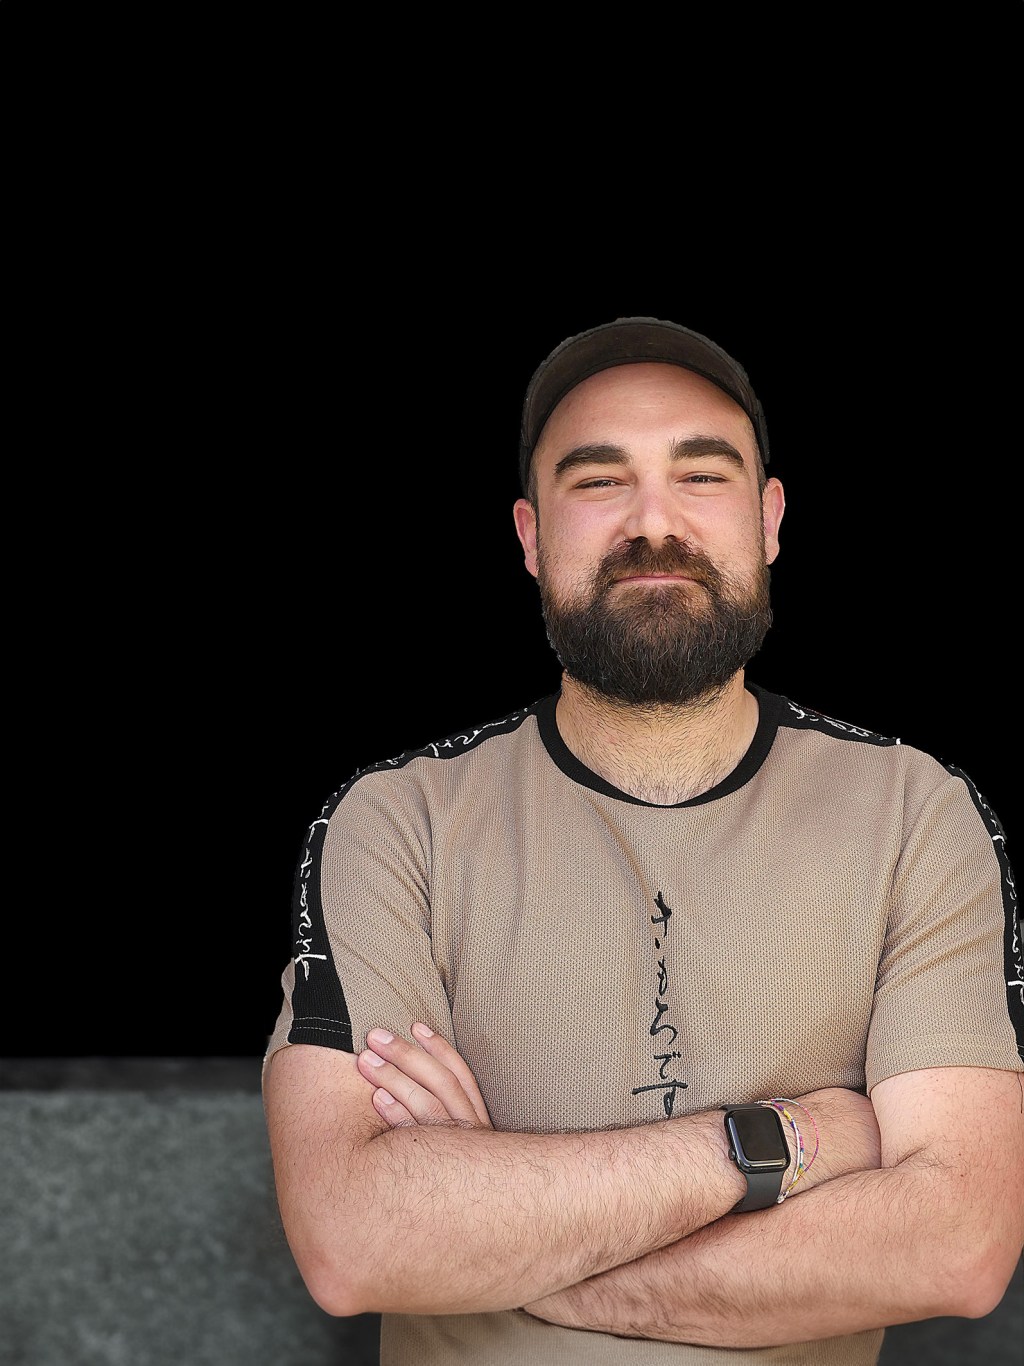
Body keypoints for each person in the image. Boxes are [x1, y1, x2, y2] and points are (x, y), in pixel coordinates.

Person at [262, 317, 1024, 1366]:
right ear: (531, 536)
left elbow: (959, 1246)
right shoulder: (398, 820)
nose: (652, 522)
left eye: (701, 476)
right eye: (598, 481)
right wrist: (797, 1139)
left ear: (769, 520)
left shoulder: (915, 811)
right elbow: (354, 1242)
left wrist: (507, 1233)